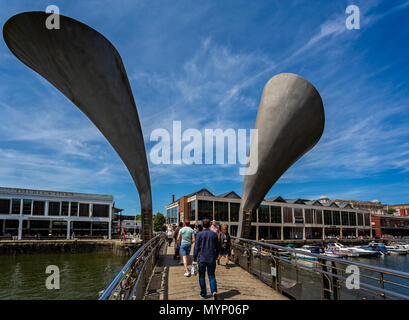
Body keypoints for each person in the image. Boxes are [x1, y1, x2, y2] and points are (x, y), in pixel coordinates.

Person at [193, 219, 219, 300]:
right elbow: (217, 247)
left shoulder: (199, 234)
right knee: (211, 275)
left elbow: (196, 247)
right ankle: (214, 291)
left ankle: (203, 293)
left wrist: (194, 258)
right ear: (209, 225)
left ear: (202, 225)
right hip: (211, 258)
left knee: (201, 276)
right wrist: (216, 256)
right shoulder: (214, 234)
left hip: (202, 258)